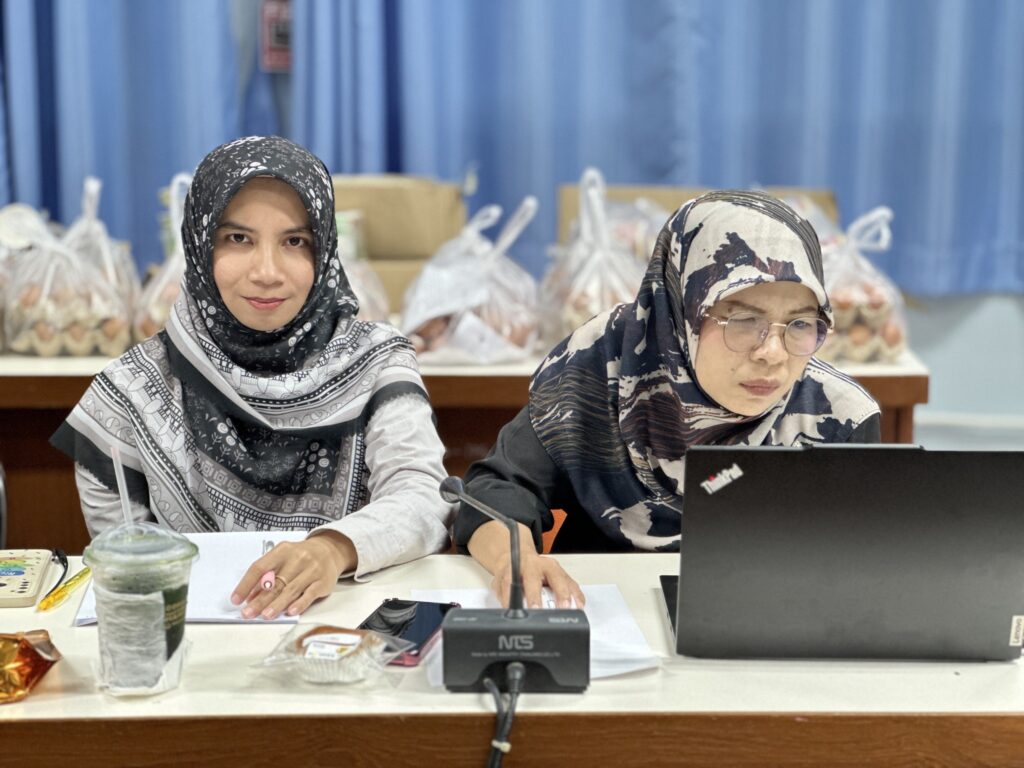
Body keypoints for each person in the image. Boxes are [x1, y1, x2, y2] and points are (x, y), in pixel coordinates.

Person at [52, 136, 453, 619]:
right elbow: (130, 579)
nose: (267, 272)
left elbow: (424, 497)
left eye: (294, 242)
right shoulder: (127, 395)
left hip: (347, 639)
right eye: (238, 239)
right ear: (200, 246)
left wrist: (333, 548)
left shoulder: (376, 361)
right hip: (193, 650)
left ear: (324, 251)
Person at [453, 189, 881, 610]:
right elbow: (497, 490)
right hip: (603, 615)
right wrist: (514, 559)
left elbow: (861, 570)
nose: (772, 353)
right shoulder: (598, 368)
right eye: (744, 320)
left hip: (764, 625)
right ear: (680, 310)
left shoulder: (837, 417)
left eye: (800, 323)